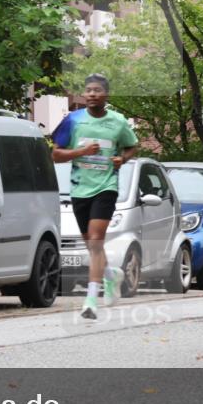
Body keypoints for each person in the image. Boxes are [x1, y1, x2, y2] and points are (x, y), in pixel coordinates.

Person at [51, 74, 138, 320]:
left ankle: (90, 300)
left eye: (97, 90)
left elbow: (132, 146)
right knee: (91, 244)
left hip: (106, 186)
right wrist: (82, 151)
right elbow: (56, 155)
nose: (91, 94)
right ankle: (110, 275)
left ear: (106, 95)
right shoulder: (73, 120)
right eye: (88, 90)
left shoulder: (118, 122)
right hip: (79, 189)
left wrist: (123, 158)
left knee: (97, 240)